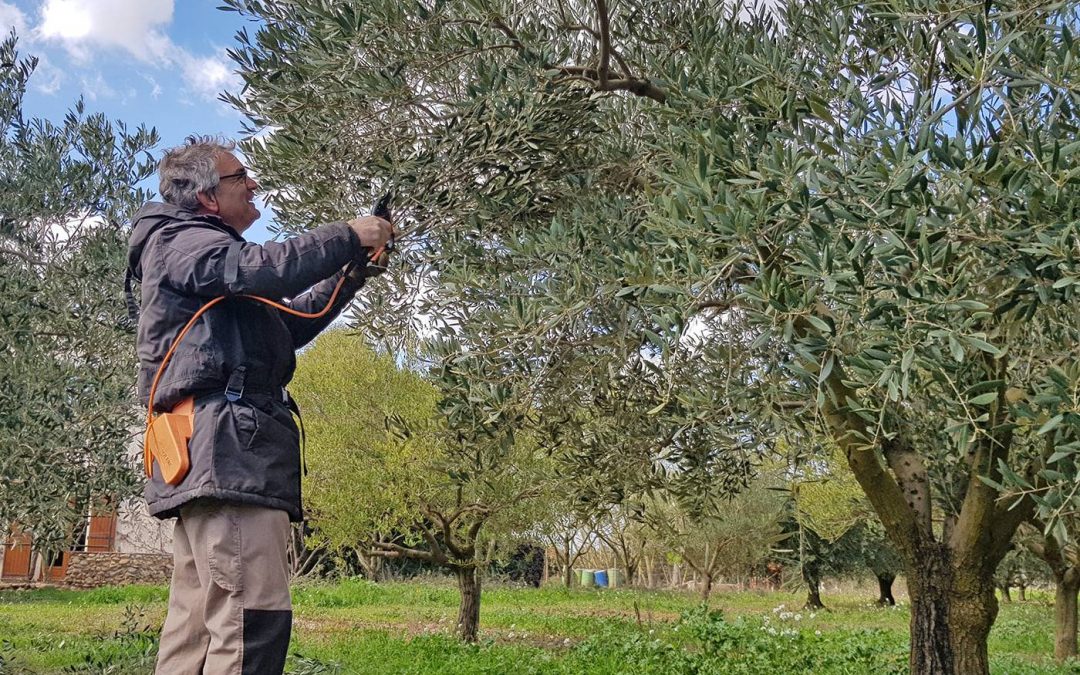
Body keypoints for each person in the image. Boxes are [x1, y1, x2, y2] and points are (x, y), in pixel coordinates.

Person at [125, 135, 391, 674]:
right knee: (251, 623)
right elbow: (263, 268)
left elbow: (293, 322)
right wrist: (346, 236)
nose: (253, 185)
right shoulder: (183, 241)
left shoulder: (210, 264)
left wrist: (351, 272)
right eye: (239, 176)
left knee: (196, 630)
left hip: (214, 456)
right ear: (204, 195)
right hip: (229, 455)